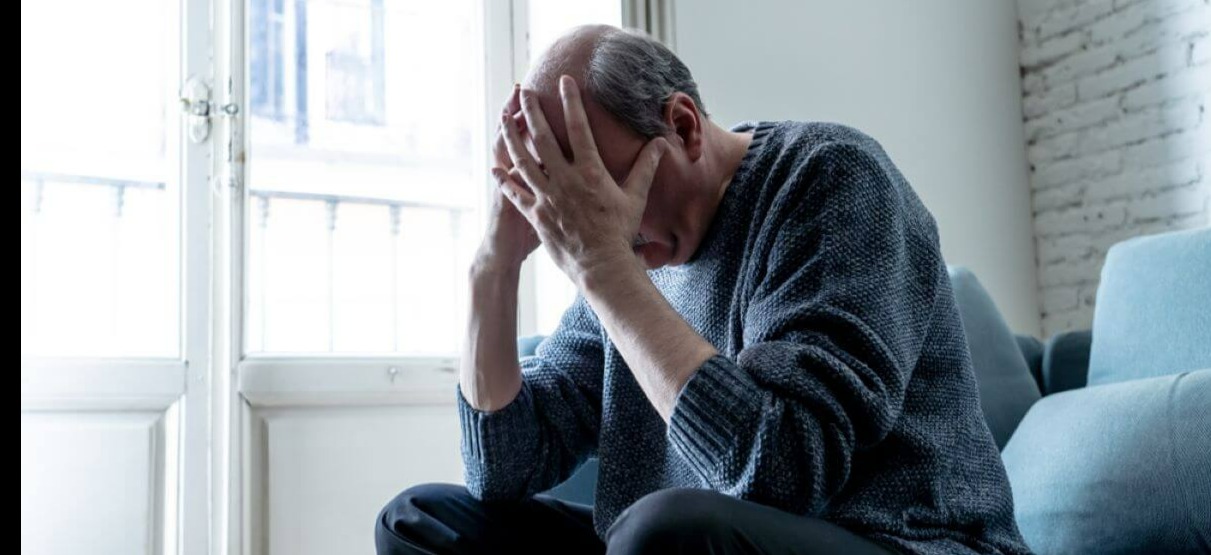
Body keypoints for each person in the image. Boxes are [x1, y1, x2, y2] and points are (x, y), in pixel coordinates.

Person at [377, 24, 1030, 555]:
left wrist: (605, 269)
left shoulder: (831, 178)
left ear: (684, 125)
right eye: (580, 202)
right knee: (420, 520)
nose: (606, 220)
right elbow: (502, 468)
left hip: (902, 539)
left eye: (611, 187)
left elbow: (783, 472)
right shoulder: (619, 254)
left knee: (666, 530)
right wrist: (493, 263)